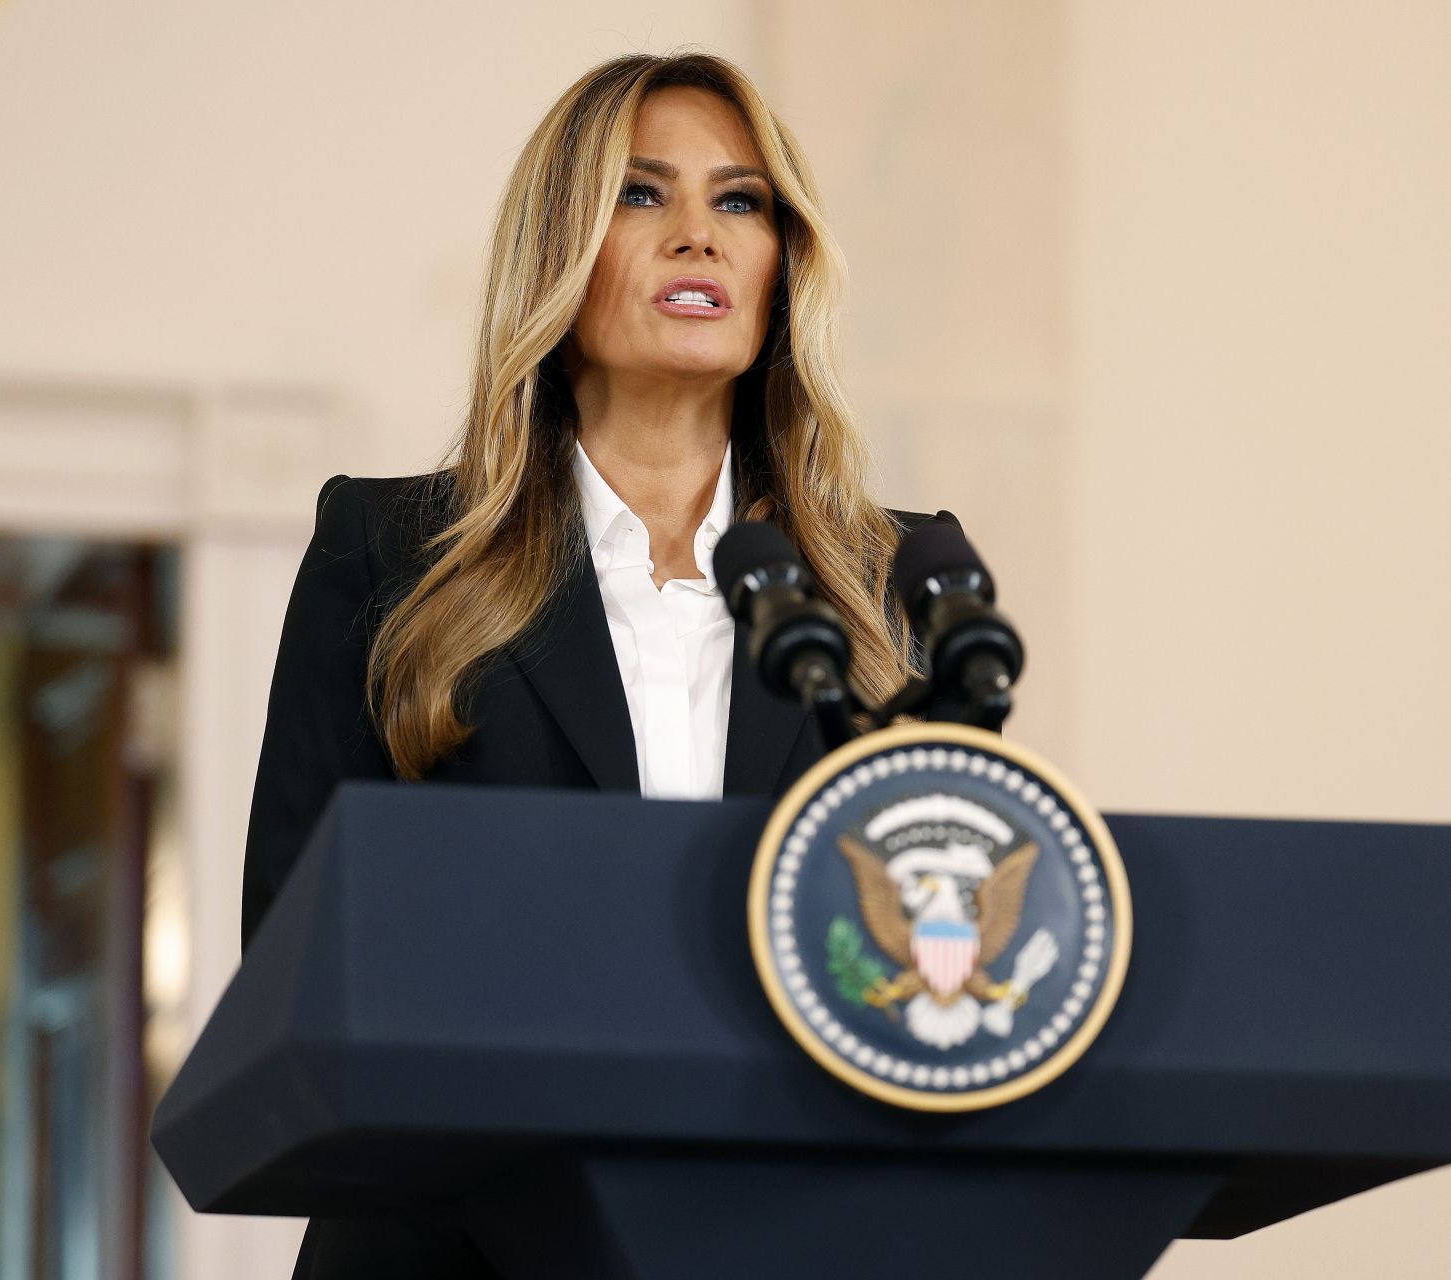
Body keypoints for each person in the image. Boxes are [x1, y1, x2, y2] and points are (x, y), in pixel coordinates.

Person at [241, 50, 960, 1279]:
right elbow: (294, 966)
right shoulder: (391, 553)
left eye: (740, 202)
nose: (699, 237)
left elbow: (937, 982)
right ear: (558, 253)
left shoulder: (902, 581)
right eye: (643, 195)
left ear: (783, 266)